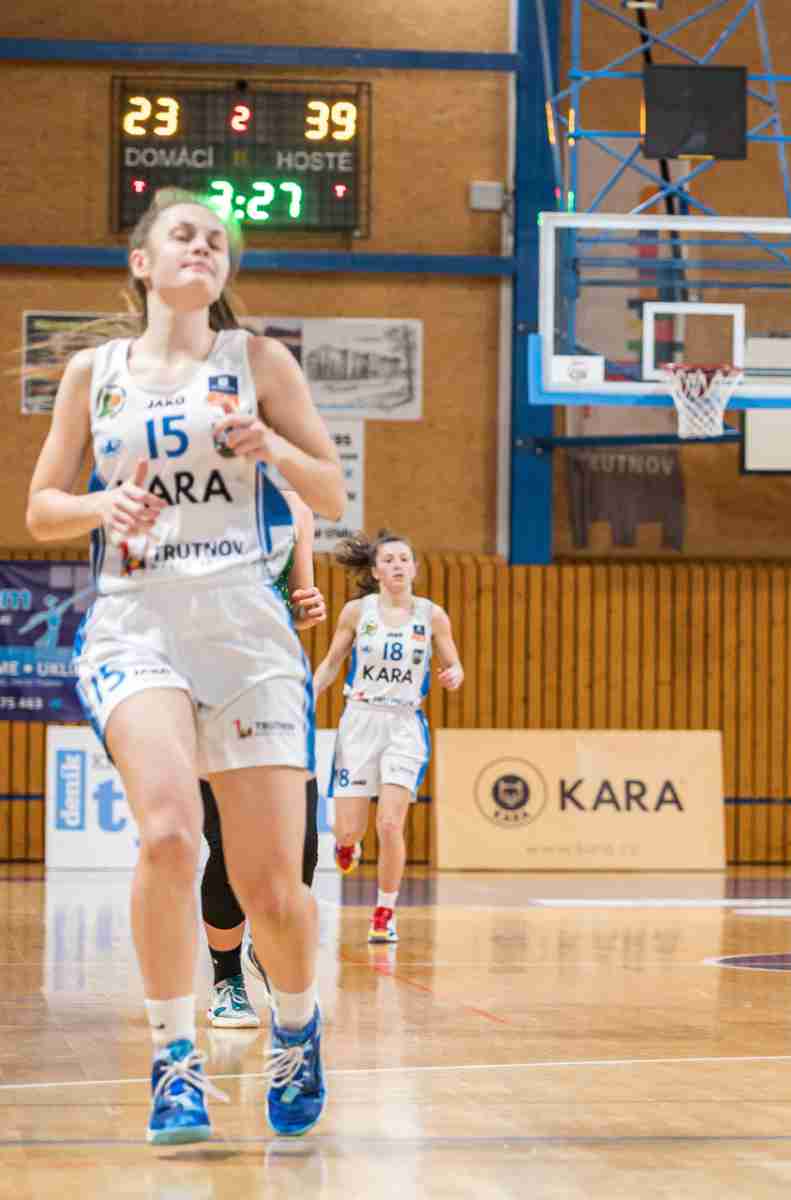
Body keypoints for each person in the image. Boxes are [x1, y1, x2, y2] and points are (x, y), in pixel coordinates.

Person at [25, 188, 344, 1143]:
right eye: (183, 234)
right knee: (168, 836)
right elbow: (41, 506)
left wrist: (272, 445)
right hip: (137, 622)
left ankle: (297, 1026)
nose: (202, 247)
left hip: (244, 628)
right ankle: (174, 1060)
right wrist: (99, 507)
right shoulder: (94, 373)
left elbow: (330, 490)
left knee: (272, 888)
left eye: (217, 241)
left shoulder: (260, 362)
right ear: (143, 262)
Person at [202, 491, 327, 1027]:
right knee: (229, 845)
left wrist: (306, 609)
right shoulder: (189, 500)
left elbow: (299, 605)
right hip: (207, 685)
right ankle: (226, 978)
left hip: (278, 687)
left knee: (302, 847)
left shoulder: (295, 509)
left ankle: (267, 949)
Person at [312, 529, 464, 943]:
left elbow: (454, 664)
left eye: (404, 559)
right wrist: (309, 693)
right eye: (389, 560)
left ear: (414, 568)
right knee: (347, 830)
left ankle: (384, 912)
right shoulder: (357, 612)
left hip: (404, 724)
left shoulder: (432, 615)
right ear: (376, 571)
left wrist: (454, 674)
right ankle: (348, 845)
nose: (397, 565)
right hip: (360, 720)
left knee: (391, 823)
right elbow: (332, 662)